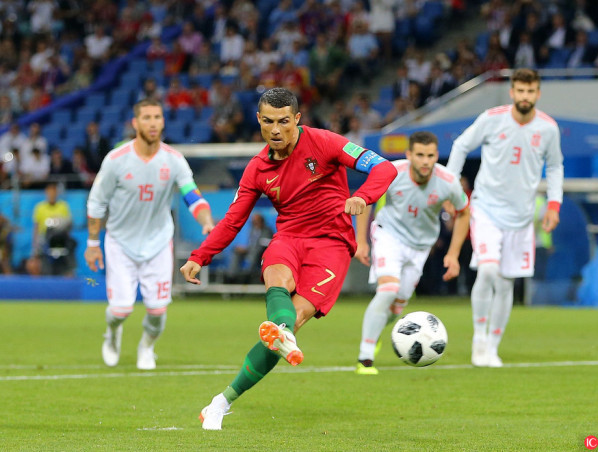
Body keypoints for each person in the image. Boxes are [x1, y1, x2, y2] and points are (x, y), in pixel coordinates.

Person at [179, 87, 397, 430]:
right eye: (268, 122)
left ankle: (221, 402)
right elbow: (234, 220)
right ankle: (282, 333)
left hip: (332, 245)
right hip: (290, 238)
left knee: (287, 325)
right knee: (277, 279)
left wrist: (363, 196)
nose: (276, 129)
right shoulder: (256, 169)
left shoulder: (326, 142)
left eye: (283, 121)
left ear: (297, 119)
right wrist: (200, 256)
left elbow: (384, 168)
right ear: (259, 121)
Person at [85, 99, 215, 370]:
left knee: (157, 310)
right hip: (120, 242)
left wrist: (206, 221)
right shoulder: (116, 160)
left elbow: (192, 195)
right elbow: (96, 203)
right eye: (146, 117)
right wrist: (93, 243)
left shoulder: (174, 159)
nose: (153, 122)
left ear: (163, 121)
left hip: (157, 243)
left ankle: (147, 347)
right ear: (135, 123)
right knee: (120, 310)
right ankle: (112, 334)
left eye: (157, 117)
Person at [447, 68, 564, 367]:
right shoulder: (492, 118)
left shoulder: (548, 128)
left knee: (506, 283)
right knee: (487, 271)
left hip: (522, 216)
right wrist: (451, 187)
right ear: (512, 92)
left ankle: (493, 347)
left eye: (530, 91)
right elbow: (460, 145)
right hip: (486, 208)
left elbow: (554, 167)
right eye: (520, 91)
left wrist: (554, 205)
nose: (525, 97)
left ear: (537, 94)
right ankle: (479, 339)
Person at [353, 131, 470, 375]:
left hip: (420, 247)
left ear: (436, 156)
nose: (425, 161)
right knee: (388, 290)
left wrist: (453, 253)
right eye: (419, 155)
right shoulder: (391, 172)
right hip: (389, 236)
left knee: (397, 307)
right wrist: (361, 242)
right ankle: (365, 357)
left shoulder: (447, 181)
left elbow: (464, 212)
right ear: (409, 155)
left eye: (430, 156)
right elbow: (365, 199)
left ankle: (374, 335)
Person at [225, 212, 273, 283]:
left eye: (256, 221)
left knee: (255, 252)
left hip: (261, 253)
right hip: (250, 250)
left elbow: (266, 243)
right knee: (236, 252)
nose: (254, 222)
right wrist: (244, 249)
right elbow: (251, 244)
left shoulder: (267, 230)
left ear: (261, 221)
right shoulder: (252, 230)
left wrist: (253, 248)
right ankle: (232, 276)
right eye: (253, 221)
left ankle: (247, 276)